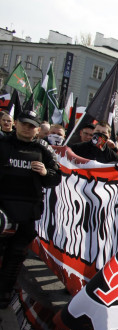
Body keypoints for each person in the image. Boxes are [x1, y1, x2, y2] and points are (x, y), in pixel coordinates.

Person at [0, 110, 61, 307]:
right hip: (2, 210)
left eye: (31, 126)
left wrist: (45, 172)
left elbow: (56, 178)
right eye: (24, 124)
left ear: (36, 129)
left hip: (27, 212)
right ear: (16, 123)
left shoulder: (43, 149)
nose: (27, 128)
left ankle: (4, 294)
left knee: (16, 256)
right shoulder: (2, 143)